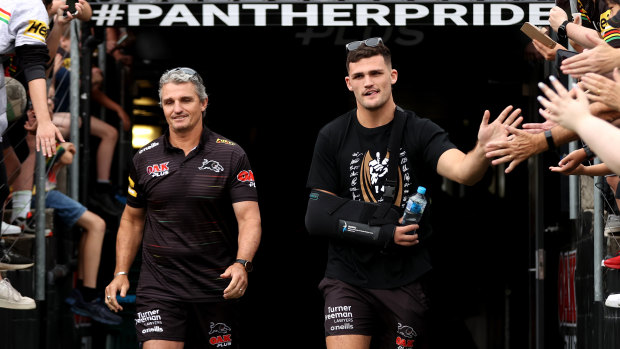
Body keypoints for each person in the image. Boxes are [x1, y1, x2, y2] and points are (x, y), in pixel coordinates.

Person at [304, 37, 522, 349]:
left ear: (392, 76)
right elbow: (316, 216)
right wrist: (384, 232)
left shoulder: (419, 130)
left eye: (376, 73)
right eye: (360, 76)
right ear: (349, 83)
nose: (369, 82)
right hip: (347, 277)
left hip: (405, 278)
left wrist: (483, 151)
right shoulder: (332, 135)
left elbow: (464, 172)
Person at [104, 67, 262, 348]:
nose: (177, 108)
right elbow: (131, 220)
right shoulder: (143, 158)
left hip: (217, 286)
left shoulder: (231, 154)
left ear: (203, 103)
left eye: (186, 100)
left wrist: (242, 264)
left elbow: (249, 218)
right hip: (159, 287)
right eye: (169, 102)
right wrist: (120, 272)